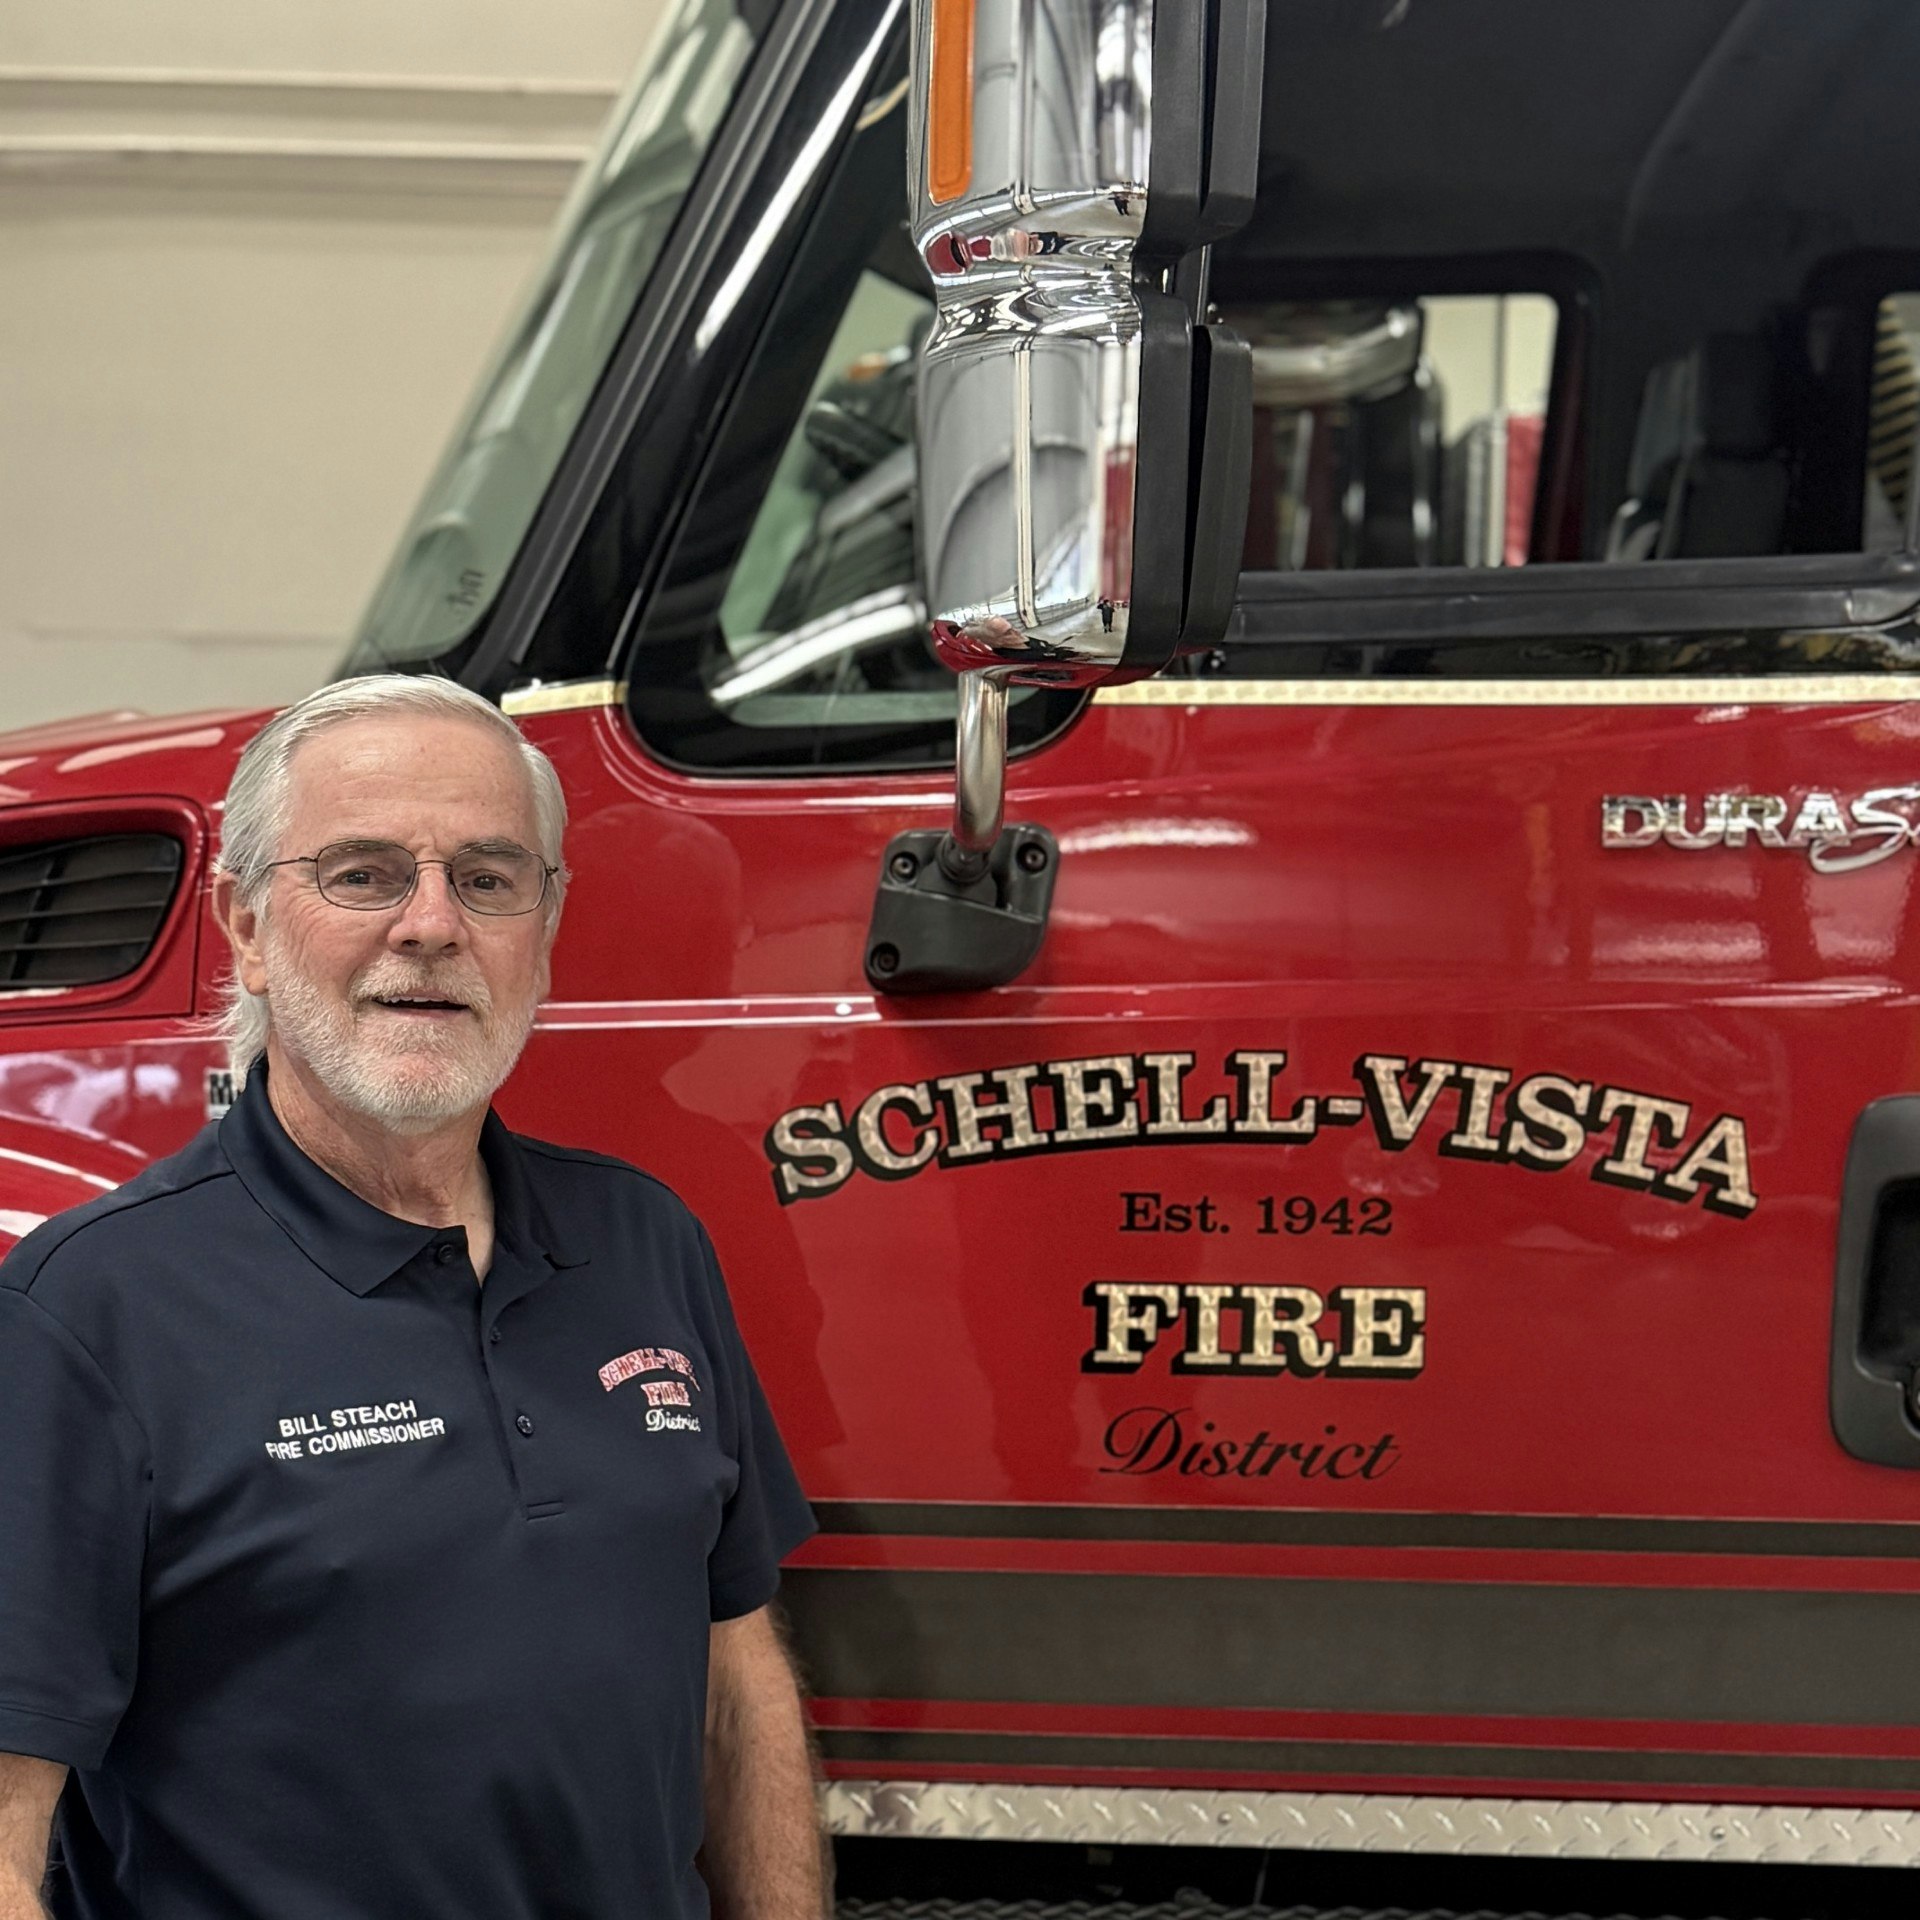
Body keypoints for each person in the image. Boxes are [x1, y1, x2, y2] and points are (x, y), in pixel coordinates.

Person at [0, 676, 824, 1920]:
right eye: (365, 875)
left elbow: (734, 1676)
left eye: (490, 879)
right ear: (249, 929)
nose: (432, 925)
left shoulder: (645, 1242)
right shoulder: (89, 1311)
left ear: (542, 932)